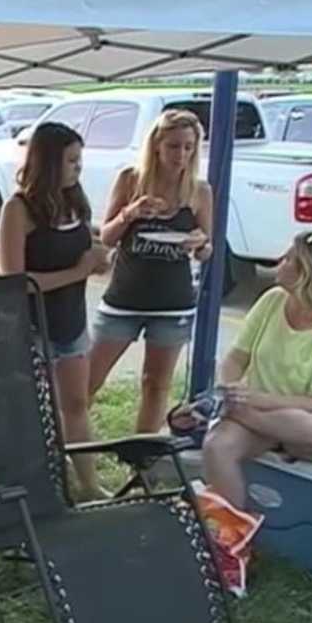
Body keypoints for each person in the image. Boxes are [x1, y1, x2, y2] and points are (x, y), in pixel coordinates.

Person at [201, 230, 312, 509]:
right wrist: (231, 385)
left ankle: (243, 417)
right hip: (262, 413)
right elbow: (236, 358)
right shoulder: (272, 299)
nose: (279, 261)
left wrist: (247, 406)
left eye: (289, 259)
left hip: (311, 422)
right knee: (217, 446)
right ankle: (231, 536)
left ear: (310, 273)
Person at [0, 122, 111, 501]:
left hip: (70, 321)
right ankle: (37, 484)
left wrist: (97, 258)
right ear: (47, 163)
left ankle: (88, 483)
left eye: (80, 160)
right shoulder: (18, 209)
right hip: (29, 326)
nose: (78, 168)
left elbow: (85, 244)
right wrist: (77, 271)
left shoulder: (76, 201)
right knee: (32, 411)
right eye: (71, 161)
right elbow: (13, 281)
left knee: (76, 405)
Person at [88, 110, 214, 434]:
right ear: (156, 146)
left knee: (156, 385)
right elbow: (107, 237)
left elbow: (206, 248)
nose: (181, 155)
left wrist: (200, 244)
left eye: (188, 147)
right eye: (173, 146)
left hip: (173, 302)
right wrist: (131, 213)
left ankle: (141, 458)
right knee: (88, 379)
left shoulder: (199, 191)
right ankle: (68, 446)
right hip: (124, 298)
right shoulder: (131, 179)